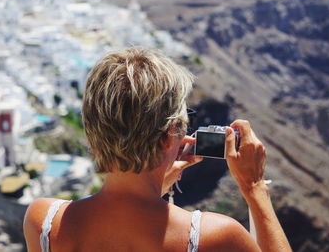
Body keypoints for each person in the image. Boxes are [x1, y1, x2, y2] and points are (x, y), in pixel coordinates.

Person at [23, 47, 292, 252]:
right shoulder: (215, 236)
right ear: (169, 136)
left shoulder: (43, 222)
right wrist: (255, 188)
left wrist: (154, 182)